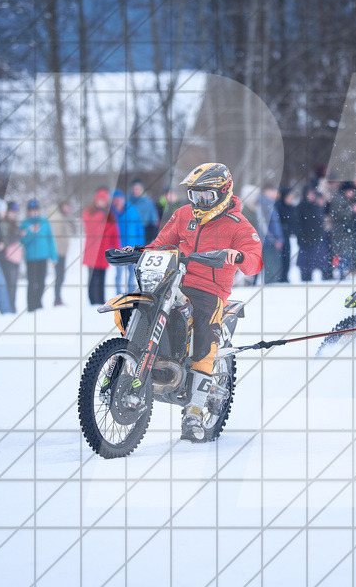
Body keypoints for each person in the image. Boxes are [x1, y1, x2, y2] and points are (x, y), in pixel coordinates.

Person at [141, 162, 262, 439]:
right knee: (141, 306)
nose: (199, 201)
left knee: (205, 333)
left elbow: (255, 260)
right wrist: (143, 252)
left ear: (224, 192)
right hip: (173, 280)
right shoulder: (183, 214)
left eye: (206, 196)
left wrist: (239, 256)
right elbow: (161, 242)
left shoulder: (239, 225)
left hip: (209, 289)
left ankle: (194, 411)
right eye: (195, 195)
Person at [82, 189, 121, 304]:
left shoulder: (109, 215)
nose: (101, 203)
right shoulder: (90, 212)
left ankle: (100, 299)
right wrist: (101, 216)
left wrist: (117, 249)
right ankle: (92, 300)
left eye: (104, 200)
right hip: (92, 251)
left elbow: (115, 234)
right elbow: (89, 226)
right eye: (100, 200)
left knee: (102, 277)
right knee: (92, 277)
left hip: (103, 251)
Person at [20, 199, 58, 312]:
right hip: (31, 259)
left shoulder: (44, 222)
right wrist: (31, 232)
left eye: (36, 209)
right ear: (28, 211)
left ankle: (38, 303)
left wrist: (53, 256)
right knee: (32, 282)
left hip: (43, 257)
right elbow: (23, 242)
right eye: (31, 210)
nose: (34, 212)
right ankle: (31, 306)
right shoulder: (24, 224)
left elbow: (50, 239)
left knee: (41, 282)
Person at [111, 190, 144, 293]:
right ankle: (118, 293)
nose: (117, 202)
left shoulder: (132, 210)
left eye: (119, 199)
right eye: (115, 200)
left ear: (123, 199)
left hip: (131, 247)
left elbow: (139, 227)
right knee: (119, 273)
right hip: (118, 248)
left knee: (133, 272)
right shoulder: (111, 213)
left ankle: (130, 292)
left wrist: (140, 245)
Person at [47, 200, 77, 306]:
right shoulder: (57, 218)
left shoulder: (61, 217)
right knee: (59, 276)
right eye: (67, 206)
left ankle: (58, 298)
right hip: (58, 253)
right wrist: (55, 255)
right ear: (63, 206)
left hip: (61, 252)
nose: (69, 209)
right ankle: (57, 299)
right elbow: (55, 238)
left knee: (60, 276)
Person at [255, 183, 285, 283]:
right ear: (267, 191)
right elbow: (264, 225)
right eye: (274, 190)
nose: (276, 193)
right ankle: (269, 288)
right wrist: (275, 240)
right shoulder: (264, 203)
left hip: (271, 241)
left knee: (274, 268)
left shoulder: (269, 203)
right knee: (271, 269)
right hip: (268, 242)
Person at [0, 202, 22, 311]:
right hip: (8, 259)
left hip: (15, 258)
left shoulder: (14, 223)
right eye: (12, 212)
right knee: (10, 285)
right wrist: (18, 235)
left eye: (15, 212)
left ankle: (12, 307)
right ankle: (9, 308)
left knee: (13, 285)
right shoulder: (4, 224)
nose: (14, 214)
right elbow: (6, 240)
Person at [275, 188, 298, 282]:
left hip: (287, 236)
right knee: (279, 258)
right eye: (289, 196)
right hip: (279, 237)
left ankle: (285, 276)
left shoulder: (291, 207)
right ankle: (279, 277)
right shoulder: (278, 207)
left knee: (287, 258)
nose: (291, 198)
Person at [129, 179, 160, 244]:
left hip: (146, 232)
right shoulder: (128, 203)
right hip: (131, 232)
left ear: (142, 190)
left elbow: (154, 220)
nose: (136, 191)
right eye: (135, 189)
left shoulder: (149, 203)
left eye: (138, 189)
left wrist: (153, 236)